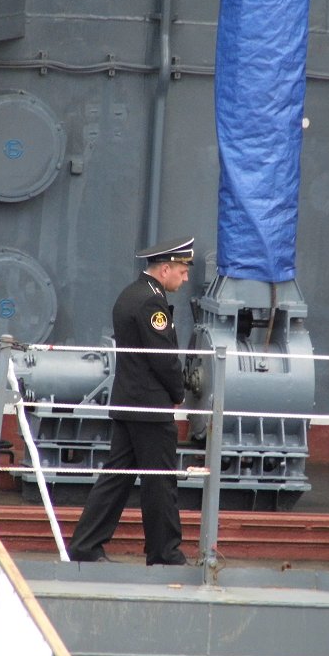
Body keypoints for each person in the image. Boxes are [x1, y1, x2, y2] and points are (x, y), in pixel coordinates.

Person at [68, 236, 194, 565]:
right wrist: (178, 393)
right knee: (160, 481)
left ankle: (86, 545)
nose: (185, 277)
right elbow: (162, 357)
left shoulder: (132, 294)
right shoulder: (151, 303)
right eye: (181, 270)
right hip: (149, 408)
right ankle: (164, 553)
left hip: (129, 402)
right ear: (164, 269)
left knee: (117, 476)